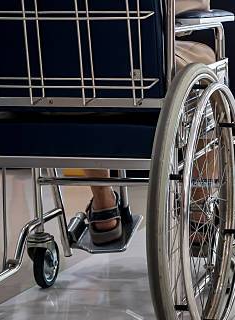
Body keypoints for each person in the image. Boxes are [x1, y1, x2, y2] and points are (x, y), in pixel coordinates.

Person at [84, 0, 215, 245]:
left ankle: (103, 203)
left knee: (79, 63)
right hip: (142, 73)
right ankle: (198, 211)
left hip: (43, 81)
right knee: (207, 64)